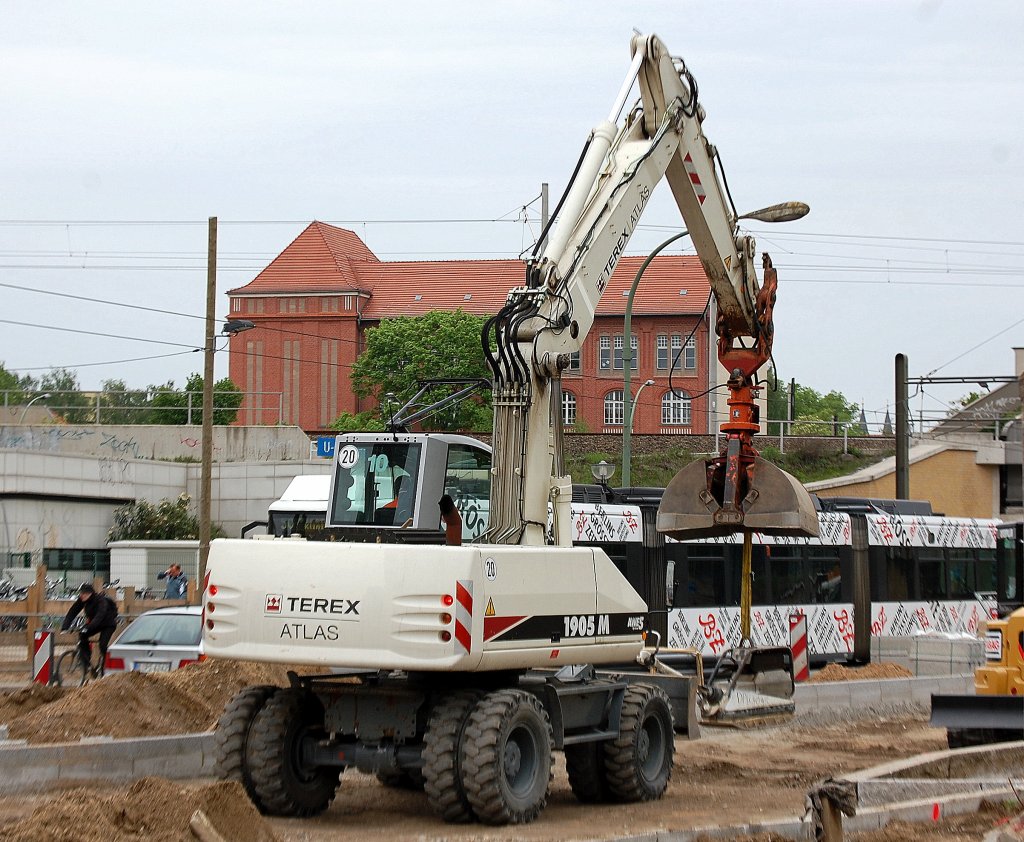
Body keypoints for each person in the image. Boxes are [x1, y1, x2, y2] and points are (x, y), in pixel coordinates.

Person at [61, 583, 118, 674]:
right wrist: (65, 627)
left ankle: (105, 667)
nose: (81, 595)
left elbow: (100, 615)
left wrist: (88, 627)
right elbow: (72, 612)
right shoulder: (82, 600)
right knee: (82, 636)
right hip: (95, 624)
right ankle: (87, 664)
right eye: (81, 593)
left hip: (108, 624)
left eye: (84, 594)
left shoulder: (100, 600)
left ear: (90, 593)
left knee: (102, 645)